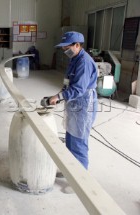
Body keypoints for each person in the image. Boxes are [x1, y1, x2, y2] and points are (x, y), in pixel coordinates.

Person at [48, 31, 98, 169]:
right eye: (63, 48)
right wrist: (59, 94)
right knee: (70, 139)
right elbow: (68, 82)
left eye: (67, 47)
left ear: (77, 45)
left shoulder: (84, 62)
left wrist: (59, 97)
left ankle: (81, 178)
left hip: (84, 104)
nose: (65, 50)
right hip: (74, 103)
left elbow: (78, 89)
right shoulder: (74, 59)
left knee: (78, 142)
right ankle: (71, 172)